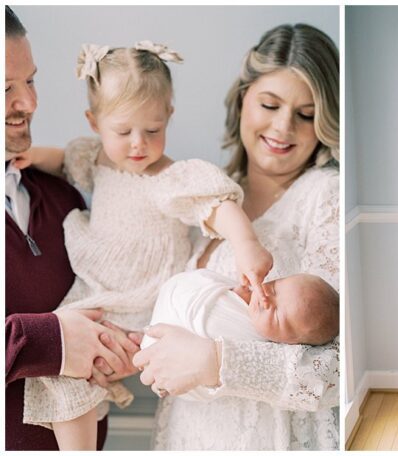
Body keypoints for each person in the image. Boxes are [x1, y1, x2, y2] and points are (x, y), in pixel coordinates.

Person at [14, 41, 273, 450]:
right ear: (94, 122)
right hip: (97, 288)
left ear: (169, 115)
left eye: (152, 131)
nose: (138, 144)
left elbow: (216, 204)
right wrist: (24, 156)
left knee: (70, 368)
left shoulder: (170, 178)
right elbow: (63, 159)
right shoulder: (95, 159)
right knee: (60, 362)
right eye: (123, 131)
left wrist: (247, 243)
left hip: (142, 297)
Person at [130, 23, 340, 450]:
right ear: (243, 96)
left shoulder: (326, 196)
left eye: (305, 114)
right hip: (188, 434)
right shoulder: (204, 195)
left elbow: (339, 368)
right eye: (270, 104)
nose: (283, 127)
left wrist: (217, 362)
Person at [4, 6, 138, 450]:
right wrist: (55, 340)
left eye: (30, 80)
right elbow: (61, 337)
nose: (28, 103)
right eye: (5, 88)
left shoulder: (64, 198)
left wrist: (113, 345)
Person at [143, 269, 339, 378]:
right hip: (175, 300)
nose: (266, 300)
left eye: (278, 315)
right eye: (274, 288)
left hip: (176, 350)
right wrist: (234, 292)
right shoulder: (247, 292)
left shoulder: (258, 347)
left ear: (290, 344)